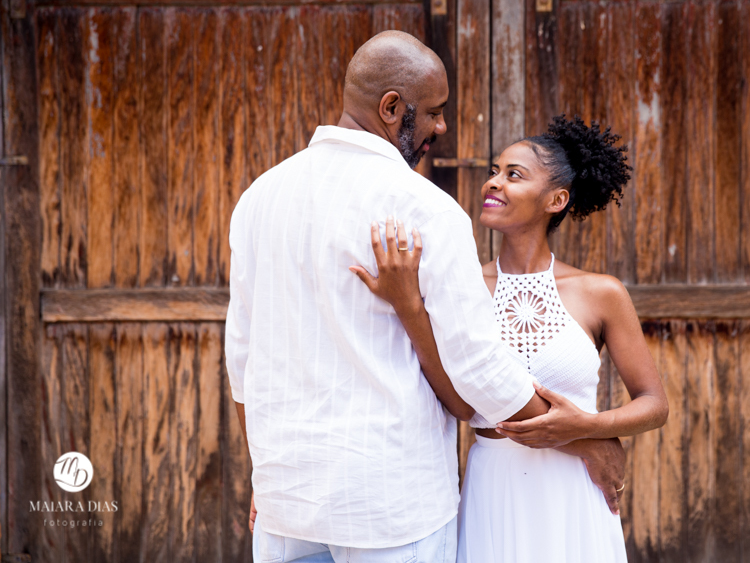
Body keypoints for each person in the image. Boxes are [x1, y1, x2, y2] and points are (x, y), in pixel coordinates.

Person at [225, 31, 625, 563]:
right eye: (435, 112)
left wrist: (268, 474)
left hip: (286, 506)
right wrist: (582, 439)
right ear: (392, 108)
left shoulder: (259, 198)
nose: (443, 126)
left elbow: (243, 358)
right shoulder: (423, 208)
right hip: (390, 511)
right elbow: (479, 366)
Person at [353, 115, 668, 563]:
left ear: (556, 199)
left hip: (575, 493)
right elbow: (459, 403)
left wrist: (588, 429)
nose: (493, 183)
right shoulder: (463, 288)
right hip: (493, 489)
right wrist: (409, 307)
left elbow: (654, 404)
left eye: (513, 175)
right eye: (494, 172)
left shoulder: (601, 293)